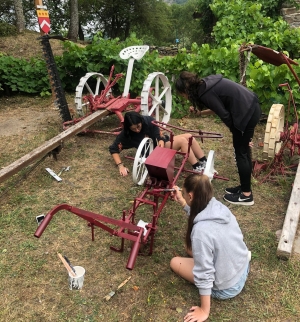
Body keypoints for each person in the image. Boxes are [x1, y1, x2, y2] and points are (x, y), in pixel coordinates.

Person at [170, 174, 251, 322]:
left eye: (185, 194)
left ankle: (209, 303)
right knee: (190, 249)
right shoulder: (218, 207)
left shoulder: (200, 233)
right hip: (243, 266)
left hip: (228, 287)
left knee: (175, 262)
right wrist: (183, 203)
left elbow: (204, 272)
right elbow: (198, 212)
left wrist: (204, 310)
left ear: (191, 195)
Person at [175, 71, 262, 206]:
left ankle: (246, 195)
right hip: (251, 105)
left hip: (246, 112)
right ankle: (244, 188)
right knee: (242, 149)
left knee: (241, 152)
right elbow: (218, 106)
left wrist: (237, 133)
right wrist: (201, 113)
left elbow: (224, 114)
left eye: (182, 95)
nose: (184, 98)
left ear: (185, 90)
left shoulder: (205, 92)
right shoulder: (205, 84)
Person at [109, 111, 208, 176]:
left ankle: (204, 162)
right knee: (183, 141)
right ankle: (197, 168)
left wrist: (160, 140)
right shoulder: (126, 134)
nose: (137, 130)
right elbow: (114, 149)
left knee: (189, 136)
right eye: (134, 129)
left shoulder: (149, 121)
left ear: (141, 121)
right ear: (129, 128)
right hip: (152, 153)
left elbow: (158, 135)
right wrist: (121, 166)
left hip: (160, 146)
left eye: (138, 126)